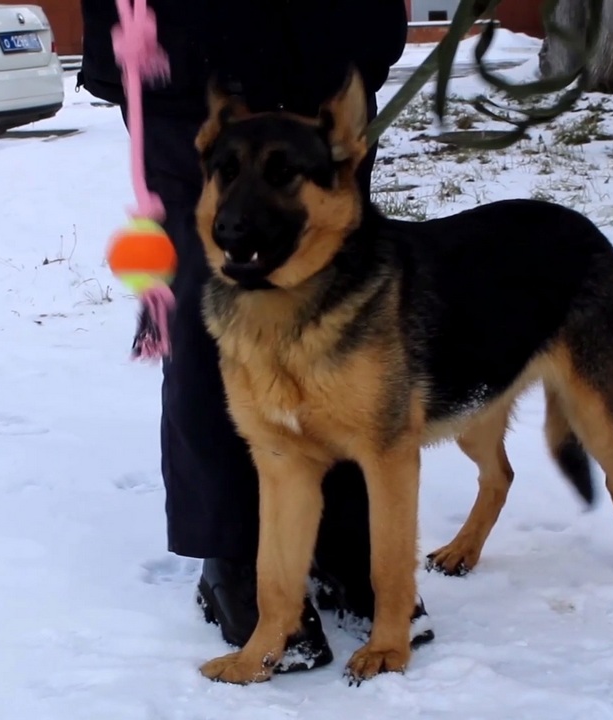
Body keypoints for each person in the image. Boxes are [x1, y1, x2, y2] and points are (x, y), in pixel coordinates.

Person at [78, 0, 432, 671]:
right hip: (187, 59)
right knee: (210, 304)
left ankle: (348, 544)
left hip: (324, 51)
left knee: (344, 291)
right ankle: (235, 552)